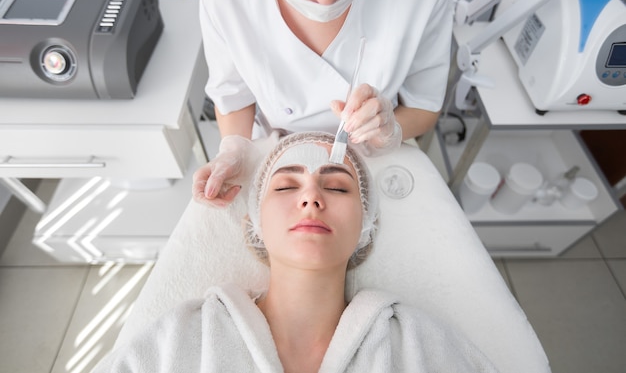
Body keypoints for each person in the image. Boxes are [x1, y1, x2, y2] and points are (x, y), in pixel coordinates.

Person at [95, 132, 499, 373]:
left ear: (366, 227)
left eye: (338, 187)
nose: (311, 197)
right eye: (286, 187)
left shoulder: (412, 341)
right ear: (253, 223)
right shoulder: (187, 334)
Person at [193, 0, 454, 207]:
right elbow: (234, 99)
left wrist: (388, 130)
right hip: (275, 148)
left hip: (375, 158)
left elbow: (424, 107)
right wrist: (235, 150)